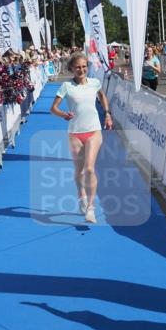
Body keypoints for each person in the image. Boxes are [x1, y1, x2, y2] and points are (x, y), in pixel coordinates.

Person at [49, 52, 114, 224]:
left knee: (89, 169)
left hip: (94, 130)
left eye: (84, 66)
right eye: (77, 67)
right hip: (75, 133)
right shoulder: (66, 86)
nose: (81, 69)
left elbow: (102, 96)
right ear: (71, 68)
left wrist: (107, 114)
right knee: (79, 171)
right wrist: (63, 114)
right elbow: (53, 108)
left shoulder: (94, 82)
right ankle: (81, 197)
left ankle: (91, 208)